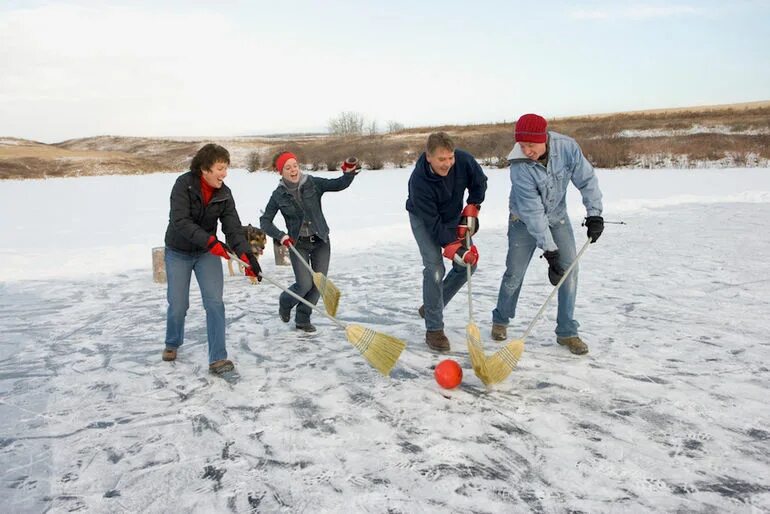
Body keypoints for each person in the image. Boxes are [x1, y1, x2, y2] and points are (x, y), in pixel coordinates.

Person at [491, 113, 604, 355]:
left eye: (531, 145)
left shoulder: (567, 148)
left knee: (569, 272)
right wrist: (550, 251)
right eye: (522, 145)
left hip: (557, 217)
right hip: (523, 220)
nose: (527, 150)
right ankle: (501, 319)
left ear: (544, 139)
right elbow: (532, 213)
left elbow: (587, 180)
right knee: (514, 273)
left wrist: (594, 213)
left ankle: (567, 332)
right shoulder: (519, 166)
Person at [162, 143, 262, 375]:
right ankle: (172, 342)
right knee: (178, 305)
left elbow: (233, 229)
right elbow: (181, 222)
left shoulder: (224, 194)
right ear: (204, 168)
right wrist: (210, 242)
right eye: (220, 168)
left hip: (206, 253)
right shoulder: (183, 185)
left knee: (215, 303)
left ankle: (218, 358)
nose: (224, 174)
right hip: (178, 251)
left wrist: (248, 256)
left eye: (226, 168)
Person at [406, 132, 488, 351]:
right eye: (442, 159)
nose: (448, 163)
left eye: (450, 157)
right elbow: (433, 226)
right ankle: (434, 329)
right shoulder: (418, 182)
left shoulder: (463, 160)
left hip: (452, 214)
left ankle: (432, 305)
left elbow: (479, 183)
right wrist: (455, 248)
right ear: (429, 157)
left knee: (468, 265)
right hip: (425, 219)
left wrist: (473, 207)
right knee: (434, 267)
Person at [260, 152, 359, 332]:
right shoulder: (278, 195)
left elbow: (337, 185)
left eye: (295, 165)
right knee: (304, 284)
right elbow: (265, 221)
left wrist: (349, 173)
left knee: (318, 285)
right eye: (287, 167)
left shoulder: (312, 183)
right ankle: (285, 300)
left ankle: (303, 318)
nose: (293, 170)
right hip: (298, 244)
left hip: (321, 240)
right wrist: (280, 235)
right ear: (280, 172)